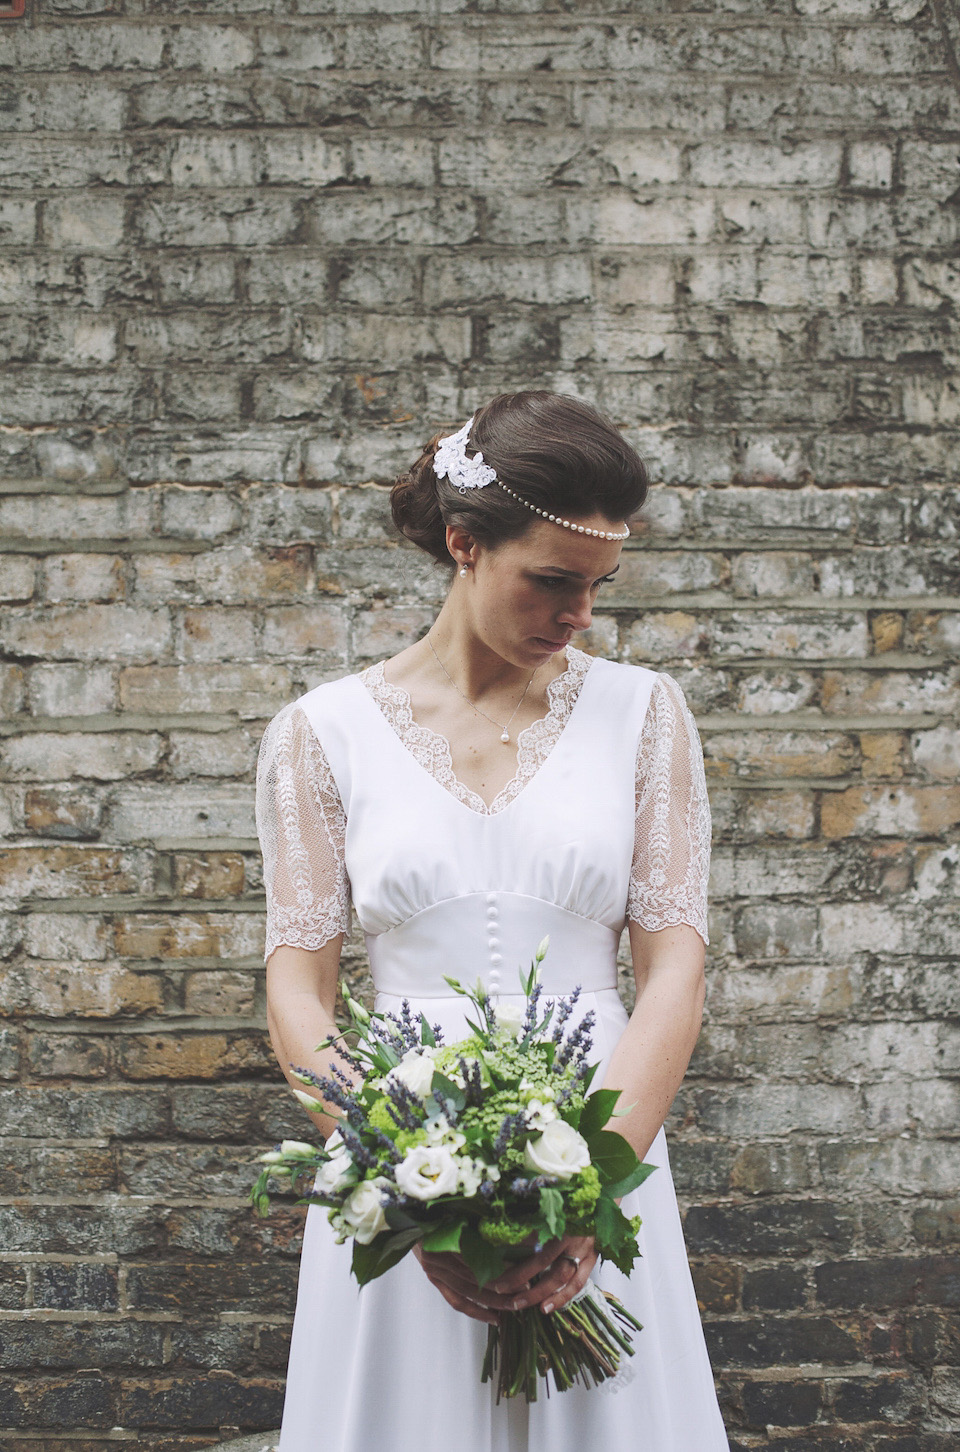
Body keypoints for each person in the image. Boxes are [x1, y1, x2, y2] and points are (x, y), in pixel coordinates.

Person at [255, 390, 730, 1451]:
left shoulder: (645, 717)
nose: (581, 617)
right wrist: (400, 1177)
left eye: (600, 586)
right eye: (554, 581)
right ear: (464, 545)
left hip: (601, 1136)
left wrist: (592, 1183)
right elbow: (299, 987)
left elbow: (672, 972)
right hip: (399, 1160)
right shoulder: (320, 734)